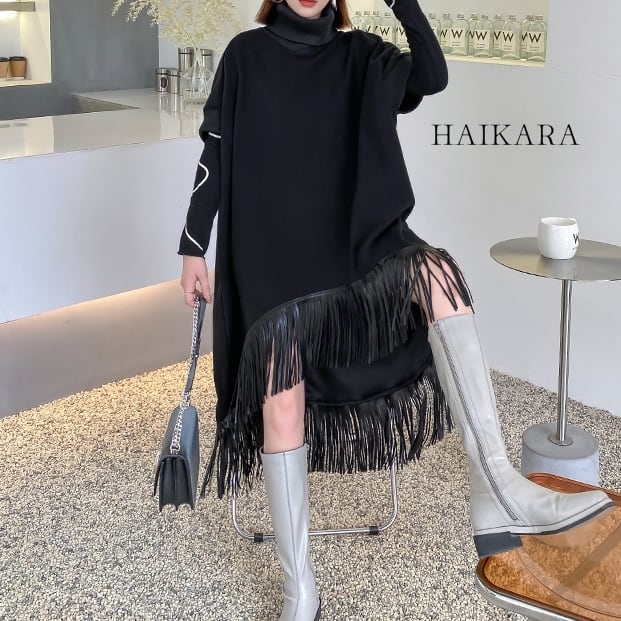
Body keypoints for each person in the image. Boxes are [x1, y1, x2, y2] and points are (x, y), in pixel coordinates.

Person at [178, 1, 613, 619]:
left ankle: (499, 490)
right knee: (282, 401)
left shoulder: (362, 55)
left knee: (439, 277)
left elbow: (432, 75)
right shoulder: (246, 55)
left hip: (353, 247)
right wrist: (193, 245)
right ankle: (300, 587)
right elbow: (215, 149)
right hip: (273, 255)